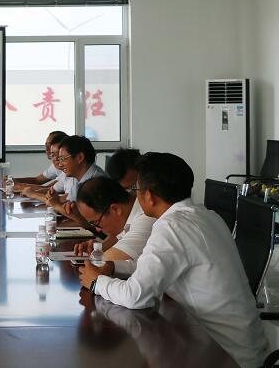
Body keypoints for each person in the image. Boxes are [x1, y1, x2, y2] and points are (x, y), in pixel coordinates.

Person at [78, 152, 268, 367]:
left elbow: (136, 296)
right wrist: (113, 268)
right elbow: (154, 266)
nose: (135, 197)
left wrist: (97, 282)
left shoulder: (172, 227)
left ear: (150, 196)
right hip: (241, 347)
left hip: (229, 356)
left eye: (137, 190)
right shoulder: (206, 215)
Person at [72, 176, 156, 276]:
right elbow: (120, 237)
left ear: (115, 209)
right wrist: (99, 247)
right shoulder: (130, 210)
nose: (97, 229)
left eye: (96, 223)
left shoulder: (146, 217)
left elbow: (105, 263)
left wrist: (96, 256)